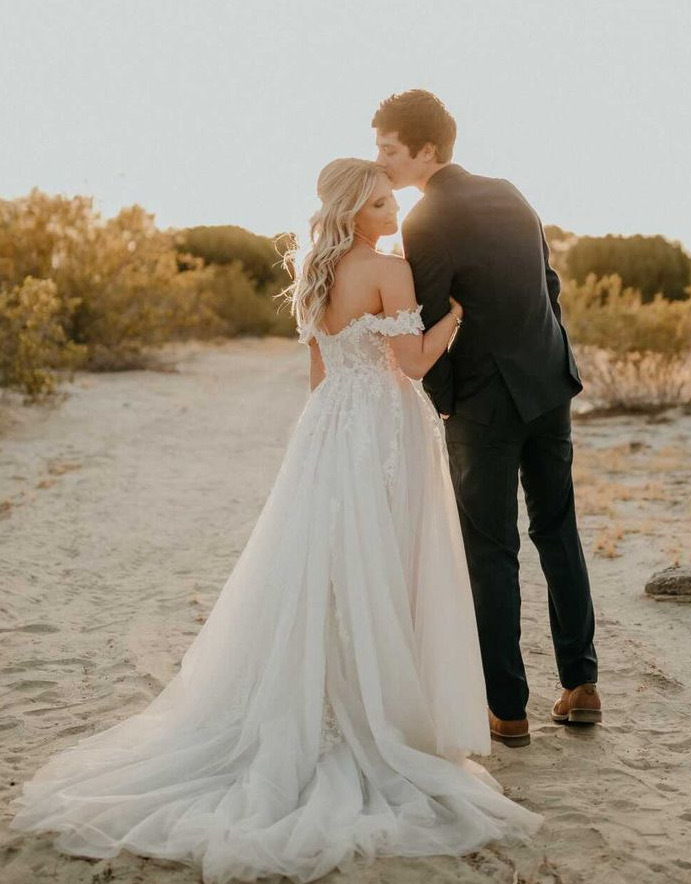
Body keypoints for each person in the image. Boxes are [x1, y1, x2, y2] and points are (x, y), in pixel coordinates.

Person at [9, 157, 542, 884]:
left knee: (323, 564)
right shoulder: (388, 269)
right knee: (378, 559)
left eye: (393, 202)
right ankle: (371, 710)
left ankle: (335, 694)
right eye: (383, 204)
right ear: (357, 211)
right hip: (381, 428)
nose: (394, 214)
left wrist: (318, 435)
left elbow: (320, 372)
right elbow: (411, 365)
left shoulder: (316, 276)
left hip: (327, 428)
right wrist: (452, 318)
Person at [373, 90, 601, 748]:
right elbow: (548, 285)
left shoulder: (424, 220)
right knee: (557, 530)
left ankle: (507, 710)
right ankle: (581, 684)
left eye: (389, 150)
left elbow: (426, 314)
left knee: (490, 550)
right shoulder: (510, 192)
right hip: (547, 382)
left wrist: (443, 396)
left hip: (483, 400)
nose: (381, 162)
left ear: (425, 151)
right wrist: (548, 358)